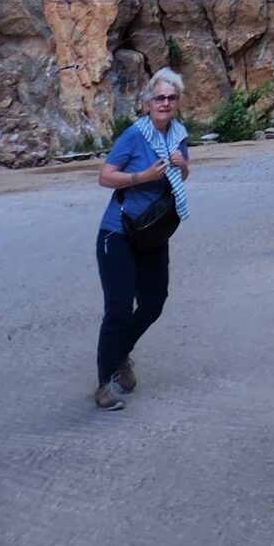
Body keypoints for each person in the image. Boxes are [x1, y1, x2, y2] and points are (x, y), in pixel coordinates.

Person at [94, 68, 190, 410]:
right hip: (118, 232)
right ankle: (105, 384)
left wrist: (182, 165)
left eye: (171, 98)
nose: (165, 103)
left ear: (178, 103)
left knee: (153, 302)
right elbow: (105, 176)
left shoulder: (178, 135)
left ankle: (119, 355)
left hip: (152, 232)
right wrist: (142, 176)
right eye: (159, 97)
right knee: (118, 309)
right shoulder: (135, 136)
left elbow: (182, 174)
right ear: (148, 102)